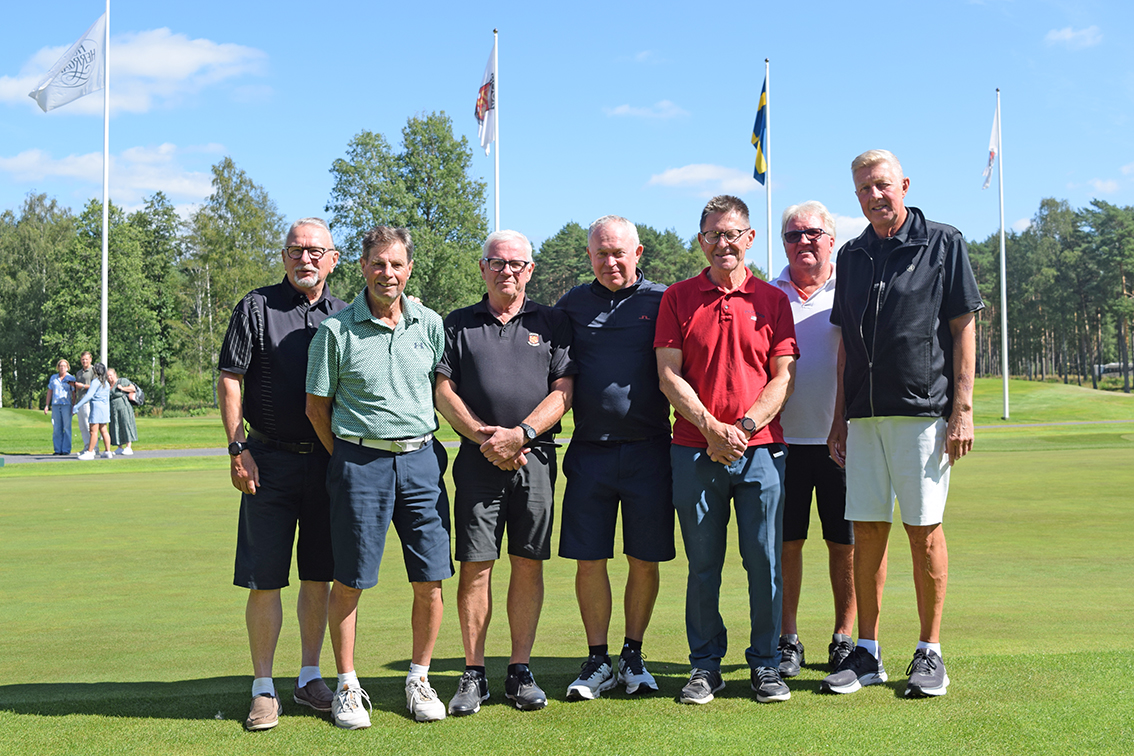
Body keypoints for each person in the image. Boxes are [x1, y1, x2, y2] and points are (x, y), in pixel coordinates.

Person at [822, 150, 983, 699]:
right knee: (867, 530)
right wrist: (839, 417)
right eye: (864, 189)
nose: (875, 195)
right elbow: (845, 344)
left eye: (882, 184)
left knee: (923, 530)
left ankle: (929, 651)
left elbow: (962, 327)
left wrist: (962, 409)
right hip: (863, 418)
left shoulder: (943, 242)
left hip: (923, 414)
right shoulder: (851, 255)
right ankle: (867, 652)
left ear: (904, 185)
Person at [306, 225, 452, 729]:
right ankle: (348, 686)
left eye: (396, 264)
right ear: (363, 267)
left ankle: (419, 678)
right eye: (377, 263)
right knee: (350, 579)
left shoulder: (429, 323)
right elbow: (317, 408)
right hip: (359, 464)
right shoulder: (335, 331)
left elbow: (440, 391)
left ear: (409, 269)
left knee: (430, 578)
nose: (387, 273)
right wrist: (348, 458)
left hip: (421, 461)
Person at [654, 195, 798, 705]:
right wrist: (712, 427)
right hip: (695, 449)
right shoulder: (678, 297)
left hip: (761, 450)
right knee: (703, 565)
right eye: (713, 234)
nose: (723, 243)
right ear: (701, 241)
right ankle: (705, 666)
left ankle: (765, 664)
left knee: (765, 562)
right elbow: (668, 374)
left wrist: (745, 426)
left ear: (749, 238)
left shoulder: (773, 300)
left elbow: (783, 377)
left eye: (732, 233)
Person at [434, 229, 574, 715]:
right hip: (478, 462)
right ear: (483, 268)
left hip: (536, 459)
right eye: (497, 262)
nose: (506, 270)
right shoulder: (458, 323)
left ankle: (519, 670)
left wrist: (522, 434)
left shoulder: (553, 321)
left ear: (530, 270)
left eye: (516, 263)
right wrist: (485, 438)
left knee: (528, 561)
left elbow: (563, 390)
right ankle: (474, 673)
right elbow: (443, 391)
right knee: (476, 565)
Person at [217, 216, 346, 731]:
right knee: (265, 577)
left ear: (333, 259)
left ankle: (310, 677)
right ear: (285, 256)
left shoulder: (347, 314)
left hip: (328, 463)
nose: (305, 258)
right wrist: (237, 448)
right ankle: (263, 687)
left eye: (316, 251)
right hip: (266, 461)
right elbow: (230, 377)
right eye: (296, 250)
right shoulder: (256, 307)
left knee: (319, 575)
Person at [555, 215, 673, 700]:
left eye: (618, 252)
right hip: (590, 451)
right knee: (589, 560)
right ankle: (598, 658)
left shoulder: (663, 300)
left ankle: (633, 655)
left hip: (650, 450)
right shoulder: (571, 304)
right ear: (589, 256)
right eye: (601, 253)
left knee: (644, 558)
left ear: (637, 253)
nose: (610, 262)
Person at [770, 201, 856, 677]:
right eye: (793, 234)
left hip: (842, 442)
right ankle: (788, 639)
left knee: (844, 544)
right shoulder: (767, 293)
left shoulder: (852, 287)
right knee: (788, 543)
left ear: (831, 240)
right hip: (781, 443)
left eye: (812, 233)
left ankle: (844, 637)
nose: (803, 241)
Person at [72, 362, 112, 460]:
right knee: (104, 430)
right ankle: (108, 451)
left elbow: (89, 395)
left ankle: (90, 452)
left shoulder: (95, 382)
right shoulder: (106, 383)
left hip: (96, 408)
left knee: (93, 431)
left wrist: (77, 405)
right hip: (104, 408)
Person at [44, 359, 76, 455]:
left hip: (66, 404)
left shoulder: (71, 378)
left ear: (67, 367)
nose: (62, 368)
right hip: (55, 404)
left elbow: (73, 392)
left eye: (64, 366)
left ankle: (66, 449)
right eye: (61, 366)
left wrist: (74, 405)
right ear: (58, 367)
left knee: (66, 427)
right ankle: (57, 449)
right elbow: (50, 391)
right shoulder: (53, 378)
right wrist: (47, 405)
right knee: (56, 427)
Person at [106, 368, 138, 455]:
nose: (109, 378)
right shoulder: (108, 385)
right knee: (116, 425)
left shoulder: (122, 381)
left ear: (115, 375)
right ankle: (119, 447)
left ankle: (128, 447)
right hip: (114, 409)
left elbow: (133, 388)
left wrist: (122, 388)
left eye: (110, 375)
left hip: (124, 406)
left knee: (126, 424)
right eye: (107, 376)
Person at [72, 351, 98, 454]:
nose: (84, 361)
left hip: (89, 401)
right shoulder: (79, 373)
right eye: (83, 359)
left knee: (89, 426)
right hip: (80, 401)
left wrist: (82, 386)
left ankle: (94, 447)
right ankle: (87, 446)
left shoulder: (93, 371)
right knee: (82, 426)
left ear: (90, 359)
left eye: (86, 359)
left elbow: (96, 387)